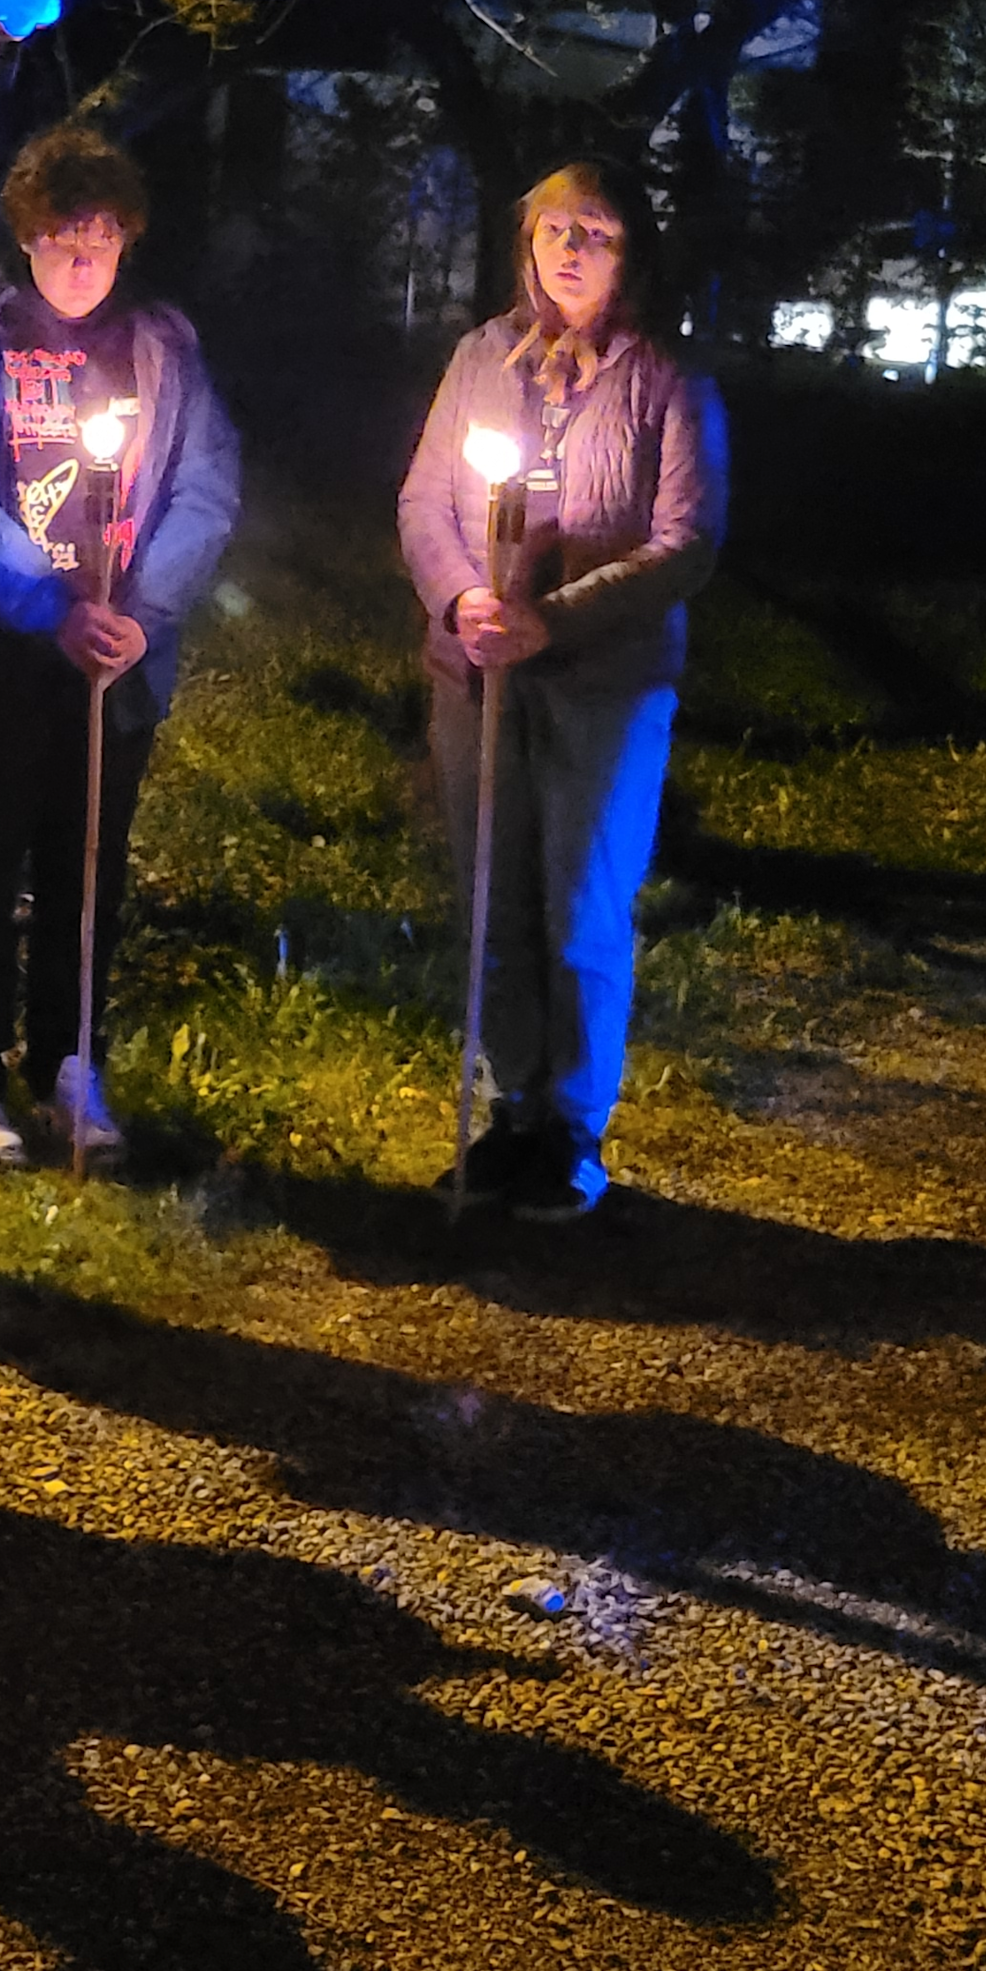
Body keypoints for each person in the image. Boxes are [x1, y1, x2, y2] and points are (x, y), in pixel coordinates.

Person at [396, 162, 726, 1222]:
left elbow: (686, 541)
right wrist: (462, 602)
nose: (570, 248)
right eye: (553, 229)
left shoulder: (667, 380)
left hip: (603, 685)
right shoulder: (480, 359)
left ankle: (573, 1134)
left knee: (580, 904)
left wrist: (559, 616)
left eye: (596, 230)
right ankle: (509, 1111)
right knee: (495, 894)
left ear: (632, 250)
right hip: (479, 677)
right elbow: (424, 500)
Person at [0, 122, 240, 1171]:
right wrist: (49, 605)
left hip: (116, 661)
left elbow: (203, 487)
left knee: (87, 870)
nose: (83, 254)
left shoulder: (162, 351)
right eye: (62, 234)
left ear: (128, 238)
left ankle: (70, 1061)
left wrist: (139, 613)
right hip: (6, 652)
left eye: (101, 233)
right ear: (28, 238)